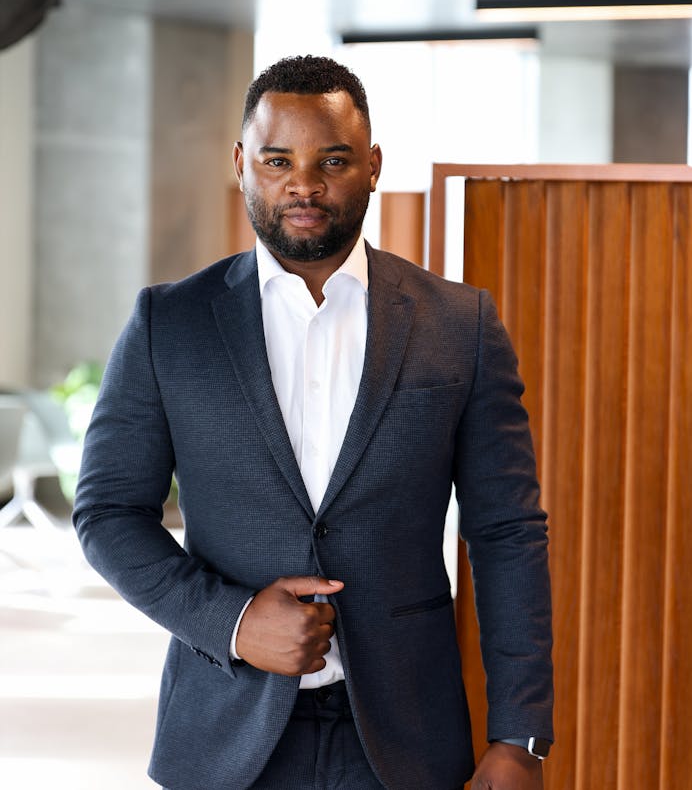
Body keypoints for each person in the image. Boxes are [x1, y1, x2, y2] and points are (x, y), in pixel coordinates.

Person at [73, 55, 553, 790]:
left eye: (333, 160)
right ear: (242, 165)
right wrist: (232, 622)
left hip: (406, 740)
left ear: (372, 166)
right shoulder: (168, 325)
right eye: (278, 160)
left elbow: (506, 532)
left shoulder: (460, 325)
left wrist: (519, 736)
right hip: (224, 733)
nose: (304, 183)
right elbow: (107, 514)